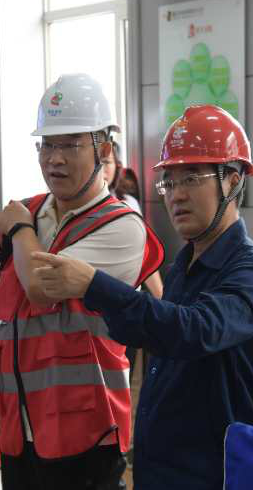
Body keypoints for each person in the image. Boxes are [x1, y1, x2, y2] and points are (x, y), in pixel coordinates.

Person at [30, 104, 253, 490]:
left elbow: (192, 332)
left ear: (232, 181)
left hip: (220, 476)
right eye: (170, 182)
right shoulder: (183, 267)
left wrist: (95, 285)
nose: (177, 195)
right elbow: (156, 333)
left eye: (192, 178)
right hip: (162, 471)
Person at [0, 73, 164, 490]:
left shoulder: (121, 227)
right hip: (19, 422)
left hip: (85, 433)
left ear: (104, 149)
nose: (54, 159)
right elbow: (5, 305)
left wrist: (20, 230)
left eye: (70, 145)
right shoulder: (29, 212)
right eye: (47, 145)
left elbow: (41, 288)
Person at [101, 141, 164, 376]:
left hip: (125, 304)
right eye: (97, 163)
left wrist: (162, 299)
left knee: (123, 376)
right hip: (93, 306)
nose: (102, 169)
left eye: (107, 163)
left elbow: (144, 255)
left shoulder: (128, 204)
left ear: (117, 166)